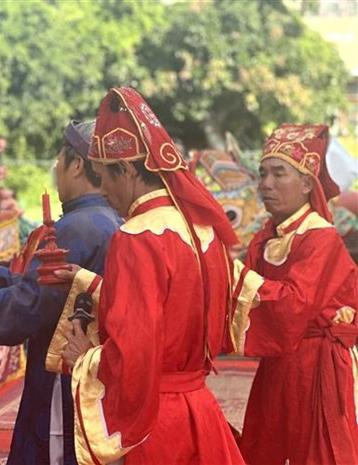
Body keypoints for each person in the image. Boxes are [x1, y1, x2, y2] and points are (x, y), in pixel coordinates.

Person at [55, 87, 244, 465]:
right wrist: (93, 283)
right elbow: (177, 303)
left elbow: (134, 355)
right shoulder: (201, 229)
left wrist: (86, 359)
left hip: (157, 424)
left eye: (103, 176)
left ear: (126, 170)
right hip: (198, 408)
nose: (103, 190)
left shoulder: (136, 237)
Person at [0, 120, 122, 465]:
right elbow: (61, 295)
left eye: (58, 160)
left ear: (77, 165)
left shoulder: (77, 227)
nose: (53, 168)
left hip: (65, 379)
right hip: (96, 374)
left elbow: (27, 309)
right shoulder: (107, 218)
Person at [230, 124, 358, 465]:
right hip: (279, 360)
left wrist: (231, 275)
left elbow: (291, 306)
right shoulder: (264, 237)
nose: (265, 184)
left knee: (313, 452)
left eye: (278, 173)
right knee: (268, 445)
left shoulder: (321, 239)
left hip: (317, 366)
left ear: (306, 184)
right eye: (262, 174)